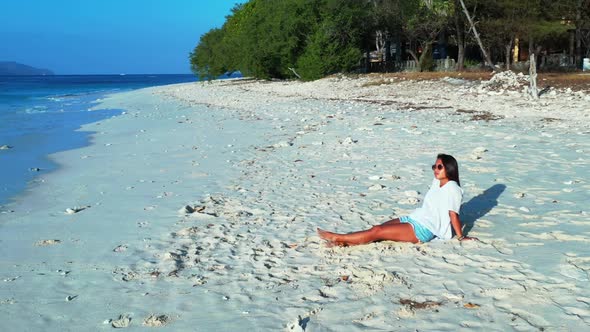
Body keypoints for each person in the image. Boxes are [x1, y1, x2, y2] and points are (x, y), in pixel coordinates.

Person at [317, 154, 477, 246]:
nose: (436, 170)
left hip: (424, 229)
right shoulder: (437, 182)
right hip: (415, 217)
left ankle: (337, 237)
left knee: (377, 232)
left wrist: (461, 236)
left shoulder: (454, 189)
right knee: (377, 229)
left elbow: (453, 214)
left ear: (449, 168)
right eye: (434, 166)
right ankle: (346, 241)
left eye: (440, 167)